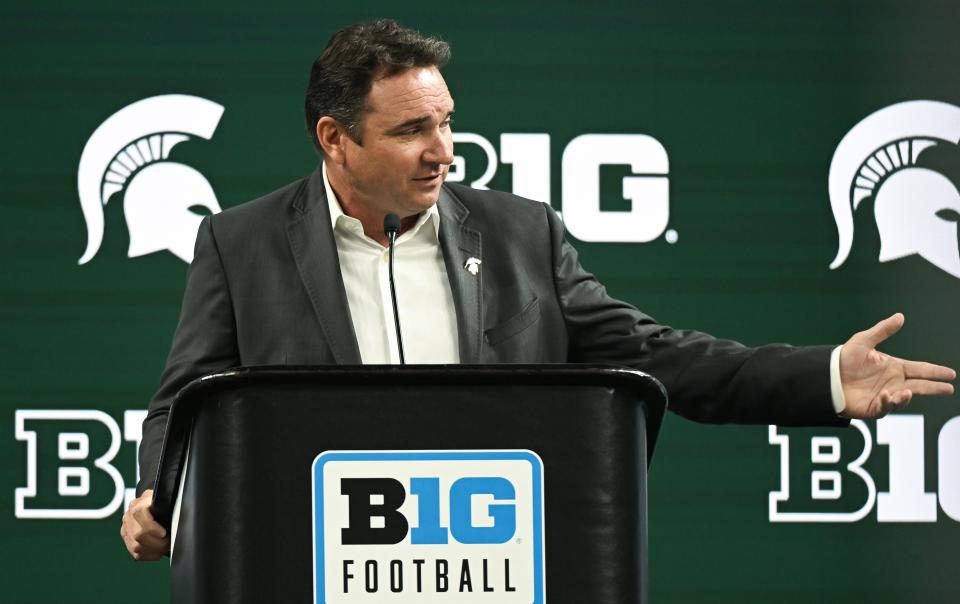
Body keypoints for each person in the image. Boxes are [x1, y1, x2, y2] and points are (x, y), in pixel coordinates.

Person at [120, 19, 955, 561]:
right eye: (412, 130)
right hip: (317, 564)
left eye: (445, 121)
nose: (442, 149)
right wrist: (162, 491)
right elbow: (184, 400)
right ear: (335, 139)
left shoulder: (523, 233)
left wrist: (824, 379)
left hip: (492, 562)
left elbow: (655, 356)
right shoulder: (240, 242)